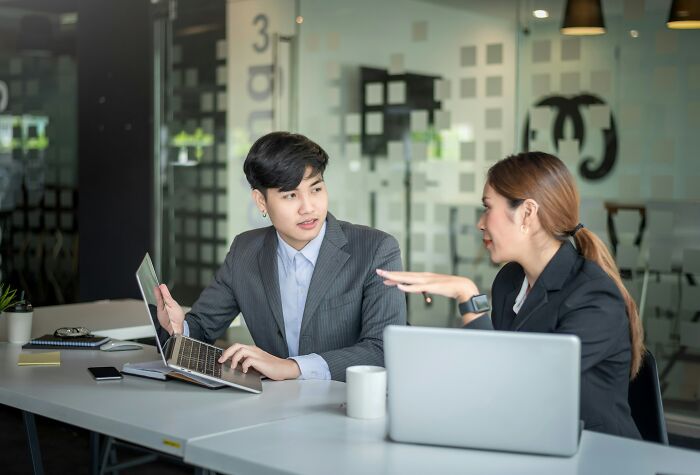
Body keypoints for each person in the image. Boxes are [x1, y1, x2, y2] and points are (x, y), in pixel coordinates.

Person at [377, 151, 644, 439]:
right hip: (529, 440)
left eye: (488, 208)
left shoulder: (593, 297)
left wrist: (467, 295)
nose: (481, 223)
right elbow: (492, 375)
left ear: (528, 213)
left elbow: (517, 384)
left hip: (599, 455)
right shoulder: (510, 280)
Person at [156, 131, 406, 382]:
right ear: (261, 201)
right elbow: (202, 327)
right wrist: (179, 329)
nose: (308, 207)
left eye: (316, 189)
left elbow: (382, 349)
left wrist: (292, 368)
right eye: (290, 195)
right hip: (274, 407)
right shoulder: (246, 251)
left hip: (348, 404)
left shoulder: (375, 250)